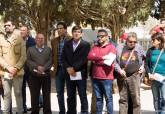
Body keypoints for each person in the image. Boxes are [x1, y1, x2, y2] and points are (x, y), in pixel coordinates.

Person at [115, 32, 145, 114]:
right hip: (122, 76)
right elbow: (114, 62)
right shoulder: (119, 47)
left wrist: (142, 67)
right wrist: (119, 70)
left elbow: (144, 59)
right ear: (126, 40)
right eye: (130, 41)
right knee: (123, 99)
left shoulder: (139, 47)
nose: (133, 43)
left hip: (134, 76)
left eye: (135, 42)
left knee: (136, 99)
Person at [0, 20, 26, 114]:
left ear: (13, 27)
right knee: (6, 94)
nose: (6, 26)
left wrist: (16, 68)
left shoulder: (20, 39)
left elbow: (24, 56)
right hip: (5, 72)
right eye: (5, 25)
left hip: (17, 72)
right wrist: (8, 68)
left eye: (9, 25)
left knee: (18, 94)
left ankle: (20, 112)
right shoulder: (1, 39)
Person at [62, 25, 90, 114]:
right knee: (70, 95)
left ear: (81, 34)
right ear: (72, 33)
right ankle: (71, 111)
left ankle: (84, 111)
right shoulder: (67, 43)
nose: (76, 33)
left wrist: (74, 68)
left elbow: (84, 59)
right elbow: (63, 58)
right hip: (69, 74)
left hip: (80, 74)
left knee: (82, 95)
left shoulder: (86, 45)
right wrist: (68, 68)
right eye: (75, 31)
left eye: (78, 32)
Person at [88, 29, 116, 114]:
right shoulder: (95, 47)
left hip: (107, 78)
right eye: (98, 36)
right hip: (95, 77)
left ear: (107, 37)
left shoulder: (111, 47)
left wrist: (96, 59)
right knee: (98, 99)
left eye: (102, 36)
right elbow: (89, 57)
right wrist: (103, 58)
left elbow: (109, 62)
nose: (99, 38)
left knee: (108, 98)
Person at [26, 33, 52, 114]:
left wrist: (44, 68)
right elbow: (28, 60)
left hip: (46, 75)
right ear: (35, 40)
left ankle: (47, 111)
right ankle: (35, 111)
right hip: (34, 76)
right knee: (34, 95)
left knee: (46, 95)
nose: (40, 40)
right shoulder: (30, 49)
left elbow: (50, 60)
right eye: (38, 38)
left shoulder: (48, 49)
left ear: (44, 40)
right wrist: (37, 67)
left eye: (42, 38)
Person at [51, 22, 71, 114]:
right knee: (59, 93)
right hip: (58, 70)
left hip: (68, 70)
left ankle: (70, 111)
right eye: (57, 28)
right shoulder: (54, 41)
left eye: (61, 28)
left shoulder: (71, 39)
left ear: (65, 29)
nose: (59, 30)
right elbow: (53, 55)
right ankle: (62, 111)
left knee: (70, 93)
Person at [145, 33, 165, 114]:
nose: (152, 41)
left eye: (154, 40)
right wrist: (149, 73)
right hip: (153, 78)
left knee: (163, 97)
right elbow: (146, 64)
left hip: (163, 78)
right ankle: (157, 112)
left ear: (159, 41)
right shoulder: (150, 50)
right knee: (156, 98)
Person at [20, 25, 36, 113]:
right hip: (21, 70)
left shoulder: (33, 41)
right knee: (21, 89)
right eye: (21, 30)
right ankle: (23, 107)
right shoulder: (18, 41)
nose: (22, 32)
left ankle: (35, 107)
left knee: (33, 89)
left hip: (30, 70)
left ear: (27, 32)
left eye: (24, 30)